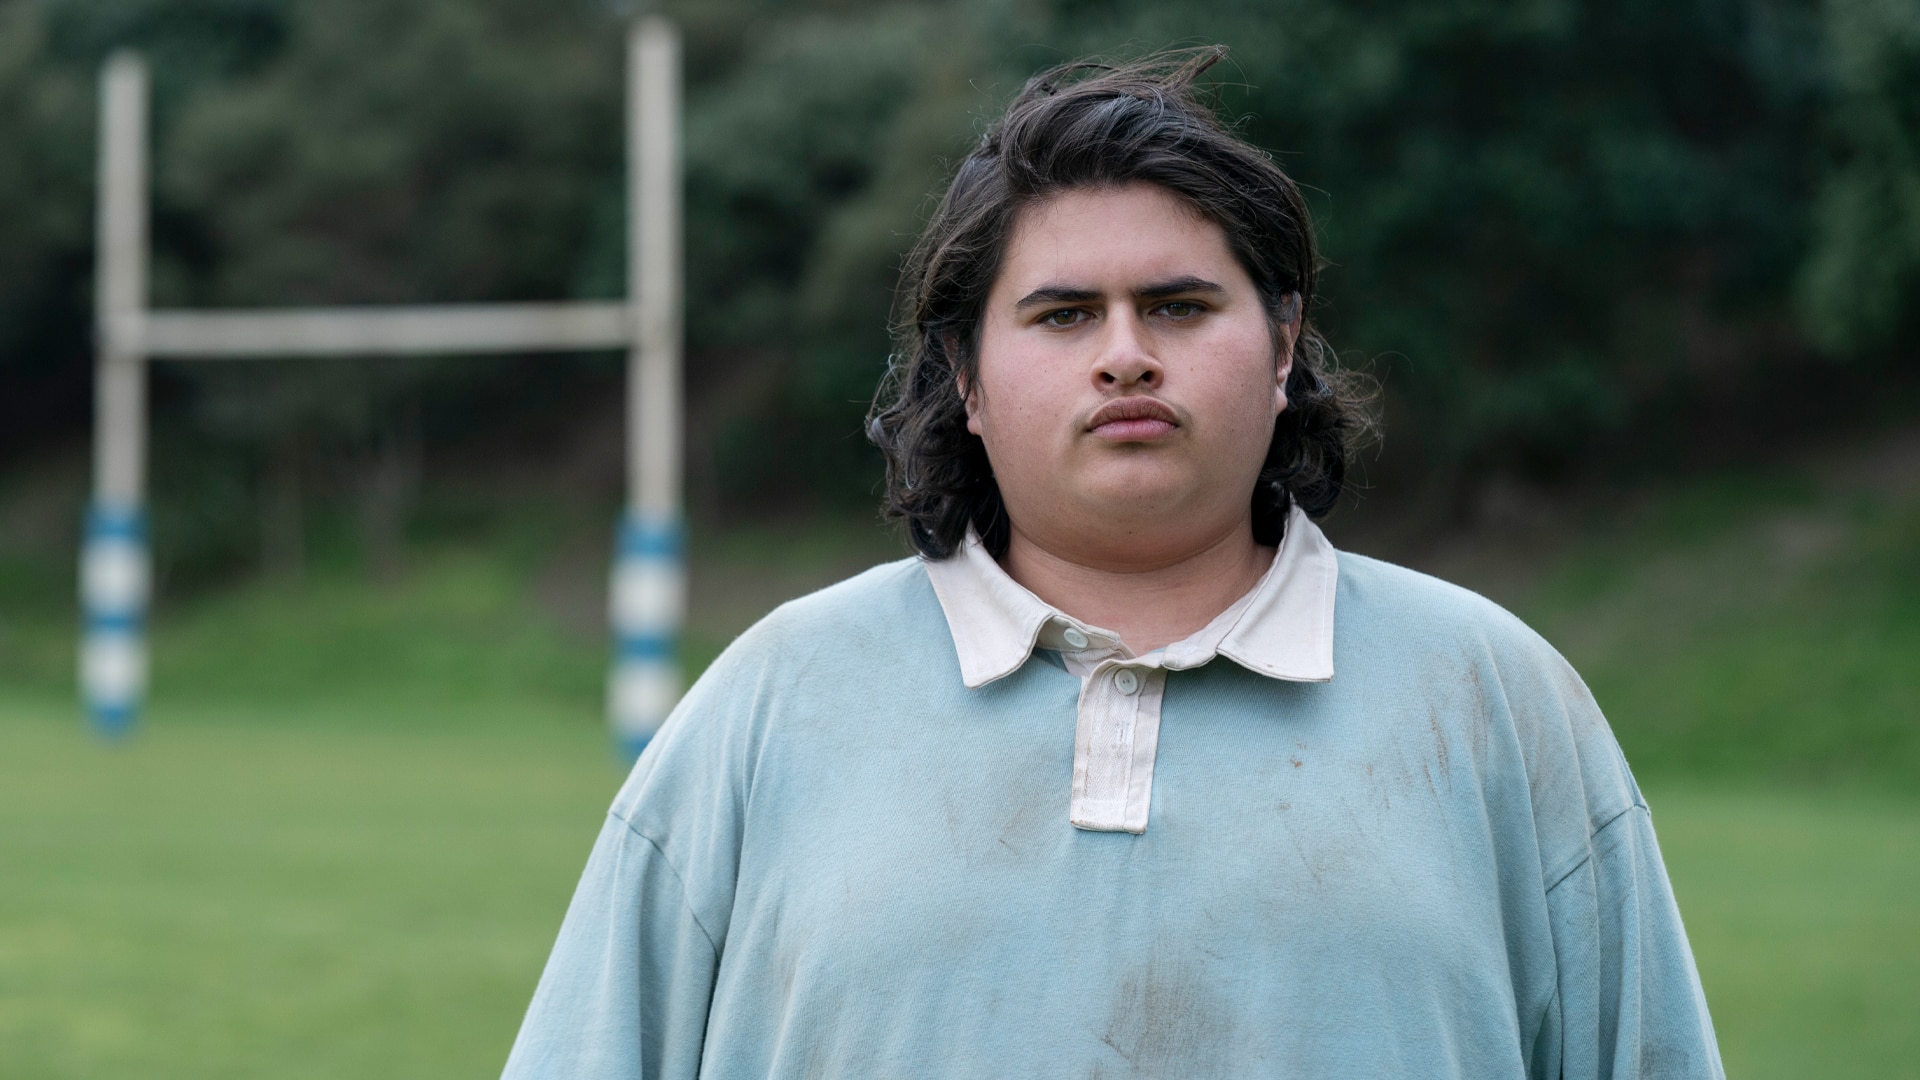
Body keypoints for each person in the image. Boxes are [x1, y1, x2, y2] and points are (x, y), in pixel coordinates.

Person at [502, 49, 1724, 1079]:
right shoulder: (770, 703)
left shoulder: (1497, 701)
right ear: (967, 378)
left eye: (1182, 307)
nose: (1126, 356)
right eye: (1063, 314)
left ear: (1283, 344)